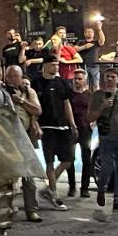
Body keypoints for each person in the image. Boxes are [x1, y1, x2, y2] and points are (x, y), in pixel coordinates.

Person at [0, 62, 42, 222]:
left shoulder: (5, 95)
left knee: (28, 177)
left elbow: (13, 116)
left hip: (11, 140)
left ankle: (31, 209)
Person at [88, 66, 118, 216]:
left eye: (113, 77)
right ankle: (101, 188)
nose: (109, 79)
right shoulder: (97, 95)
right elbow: (89, 118)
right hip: (106, 137)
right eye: (107, 76)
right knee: (106, 168)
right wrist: (102, 106)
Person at [35, 63, 76, 210]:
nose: (56, 67)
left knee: (68, 160)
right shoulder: (37, 82)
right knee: (50, 162)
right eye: (52, 65)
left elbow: (67, 104)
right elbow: (33, 106)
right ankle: (54, 195)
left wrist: (72, 123)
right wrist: (36, 125)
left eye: (57, 64)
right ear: (45, 66)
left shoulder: (62, 83)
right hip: (47, 127)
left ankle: (47, 187)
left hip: (63, 126)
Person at [66, 67, 93, 199]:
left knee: (86, 159)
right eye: (75, 79)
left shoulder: (90, 95)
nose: (76, 81)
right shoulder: (68, 95)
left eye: (79, 79)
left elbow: (95, 111)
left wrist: (93, 122)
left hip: (85, 129)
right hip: (71, 130)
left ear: (85, 80)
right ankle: (72, 187)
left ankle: (85, 188)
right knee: (69, 159)